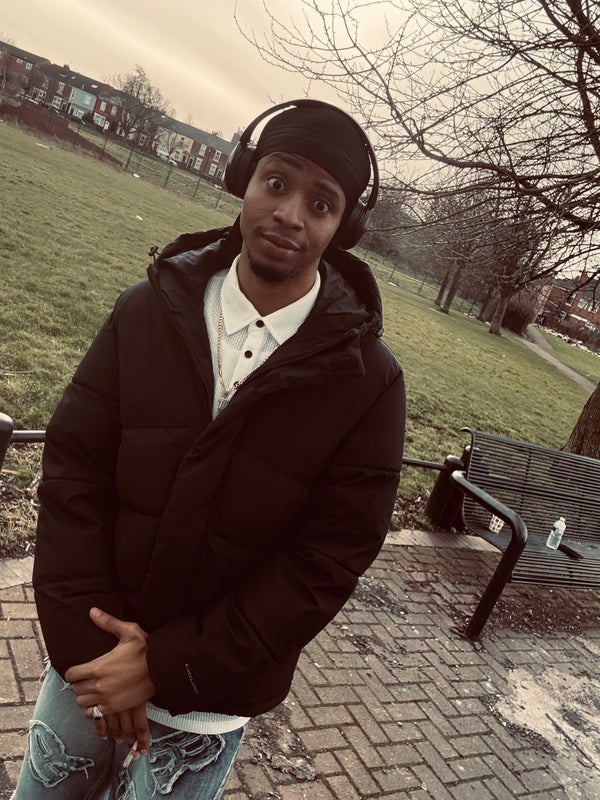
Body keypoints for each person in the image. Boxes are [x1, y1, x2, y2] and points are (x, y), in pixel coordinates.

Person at [12, 99, 406, 800]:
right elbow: (74, 474)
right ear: (243, 180)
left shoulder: (370, 382)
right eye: (276, 182)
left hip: (208, 702)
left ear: (343, 227)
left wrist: (163, 665)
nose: (290, 213)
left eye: (321, 203)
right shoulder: (144, 312)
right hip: (88, 666)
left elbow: (327, 559)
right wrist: (98, 651)